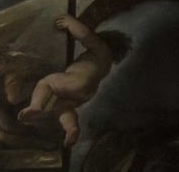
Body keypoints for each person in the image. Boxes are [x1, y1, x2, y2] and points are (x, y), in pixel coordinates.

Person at [17, 14, 131, 147]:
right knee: (62, 107)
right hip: (88, 92)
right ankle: (71, 128)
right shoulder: (107, 63)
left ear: (105, 41)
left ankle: (36, 105)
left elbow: (85, 34)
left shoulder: (101, 47)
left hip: (76, 81)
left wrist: (70, 22)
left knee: (46, 82)